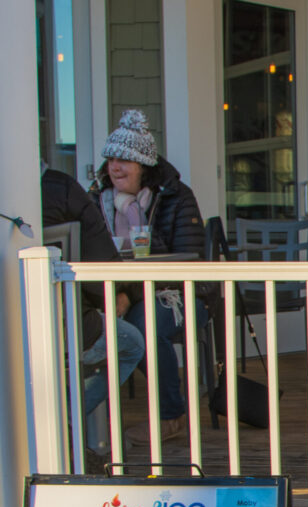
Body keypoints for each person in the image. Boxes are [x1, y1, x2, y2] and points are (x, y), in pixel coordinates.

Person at [92, 109, 208, 443]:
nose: (116, 167)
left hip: (178, 293)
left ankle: (171, 416)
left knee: (144, 325)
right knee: (90, 323)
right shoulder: (97, 201)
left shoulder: (175, 196)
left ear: (144, 165)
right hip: (115, 292)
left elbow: (188, 260)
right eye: (112, 159)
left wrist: (131, 293)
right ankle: (90, 419)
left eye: (125, 160)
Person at [40, 162, 145, 417]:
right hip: (61, 324)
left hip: (17, 324)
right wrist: (122, 292)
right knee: (132, 343)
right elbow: (98, 257)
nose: (116, 168)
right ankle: (65, 417)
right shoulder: (61, 188)